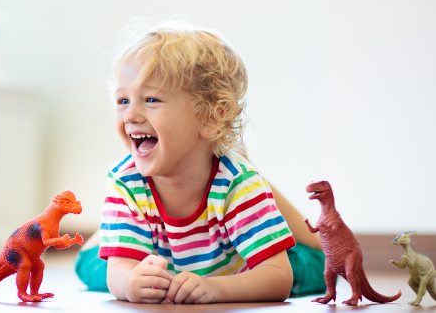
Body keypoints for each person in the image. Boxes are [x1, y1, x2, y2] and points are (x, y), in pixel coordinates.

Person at [74, 20, 326, 304]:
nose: (130, 115)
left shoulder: (237, 183)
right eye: (122, 101)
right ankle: (112, 235)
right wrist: (129, 284)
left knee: (315, 268)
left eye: (152, 99)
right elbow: (118, 272)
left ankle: (238, 159)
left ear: (210, 117)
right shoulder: (125, 180)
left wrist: (217, 289)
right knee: (94, 269)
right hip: (161, 257)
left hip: (233, 264)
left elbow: (279, 277)